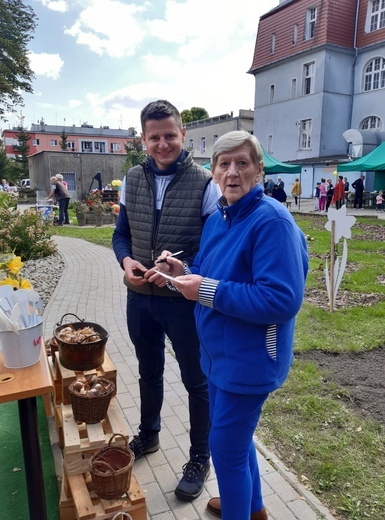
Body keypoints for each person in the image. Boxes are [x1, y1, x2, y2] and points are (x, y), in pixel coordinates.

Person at [160, 131, 308, 520]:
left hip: (251, 360)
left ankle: (239, 510)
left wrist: (205, 289)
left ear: (259, 170)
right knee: (237, 447)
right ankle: (253, 508)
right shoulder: (219, 219)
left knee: (224, 450)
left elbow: (282, 299)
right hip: (218, 356)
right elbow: (214, 277)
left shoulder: (272, 221)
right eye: (223, 164)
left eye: (243, 163)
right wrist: (185, 272)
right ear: (212, 172)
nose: (232, 172)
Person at [112, 99, 220, 502]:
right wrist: (125, 262)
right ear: (143, 139)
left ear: (183, 134)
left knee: (196, 380)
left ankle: (199, 456)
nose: (162, 144)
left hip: (182, 301)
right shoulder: (131, 180)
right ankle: (150, 434)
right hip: (140, 297)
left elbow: (212, 247)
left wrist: (183, 267)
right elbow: (121, 234)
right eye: (154, 137)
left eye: (169, 135)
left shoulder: (205, 182)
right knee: (149, 371)